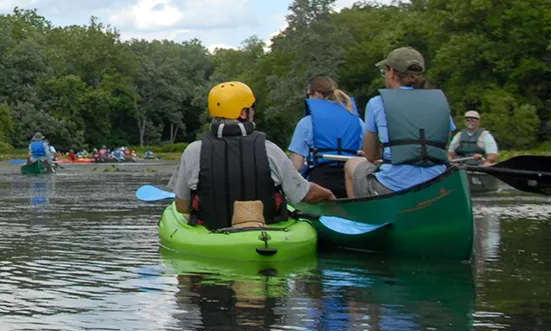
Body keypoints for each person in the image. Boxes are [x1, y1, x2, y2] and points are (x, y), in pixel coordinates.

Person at [172, 81, 335, 229]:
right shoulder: (269, 149)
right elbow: (302, 195)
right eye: (251, 108)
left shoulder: (193, 151)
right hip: (266, 235)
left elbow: (182, 206)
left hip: (212, 234)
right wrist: (327, 194)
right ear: (243, 113)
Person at [345, 47, 456, 198]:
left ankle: (359, 216)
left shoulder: (377, 103)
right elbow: (444, 145)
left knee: (351, 165)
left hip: (392, 187)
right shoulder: (440, 102)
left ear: (391, 72)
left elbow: (370, 155)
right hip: (437, 184)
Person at [287, 75, 365, 198]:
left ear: (316, 95)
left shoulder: (307, 122)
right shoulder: (357, 120)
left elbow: (297, 165)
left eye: (308, 95)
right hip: (352, 181)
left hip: (321, 183)